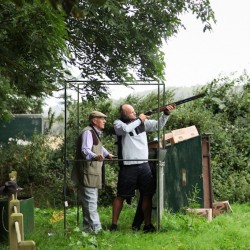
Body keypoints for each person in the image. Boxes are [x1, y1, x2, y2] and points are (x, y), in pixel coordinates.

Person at [110, 103, 175, 232]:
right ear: (124, 114)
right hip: (128, 166)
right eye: (131, 112)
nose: (134, 114)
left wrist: (166, 114)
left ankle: (147, 225)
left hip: (144, 164)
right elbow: (125, 130)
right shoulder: (118, 123)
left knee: (147, 195)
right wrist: (140, 119)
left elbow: (158, 125)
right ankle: (114, 225)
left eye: (134, 112)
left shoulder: (141, 122)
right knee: (121, 196)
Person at [71, 111, 113, 233]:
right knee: (91, 203)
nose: (105, 121)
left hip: (91, 174)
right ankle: (98, 231)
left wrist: (107, 154)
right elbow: (85, 150)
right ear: (94, 120)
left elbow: (99, 146)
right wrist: (95, 156)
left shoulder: (94, 133)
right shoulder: (88, 132)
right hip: (86, 173)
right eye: (102, 118)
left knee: (89, 202)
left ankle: (87, 230)